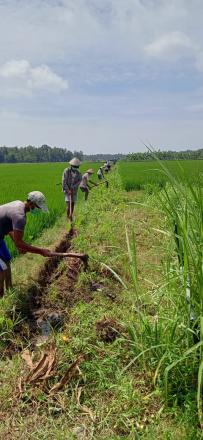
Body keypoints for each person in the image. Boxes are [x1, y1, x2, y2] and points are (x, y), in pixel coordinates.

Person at [0, 191, 55, 298]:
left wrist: (17, 244)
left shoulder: (18, 203)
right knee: (2, 269)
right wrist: (41, 251)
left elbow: (11, 230)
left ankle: (10, 290)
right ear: (31, 204)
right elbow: (20, 242)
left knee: (7, 260)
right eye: (38, 207)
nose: (38, 210)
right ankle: (1, 298)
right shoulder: (20, 216)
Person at [62, 158, 82, 223]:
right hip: (67, 191)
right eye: (74, 166)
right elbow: (63, 181)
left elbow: (79, 181)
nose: (76, 167)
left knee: (72, 204)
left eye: (77, 166)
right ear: (71, 166)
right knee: (68, 204)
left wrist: (73, 188)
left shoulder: (79, 173)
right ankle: (68, 218)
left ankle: (71, 216)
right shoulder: (66, 171)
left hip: (74, 191)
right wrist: (68, 190)